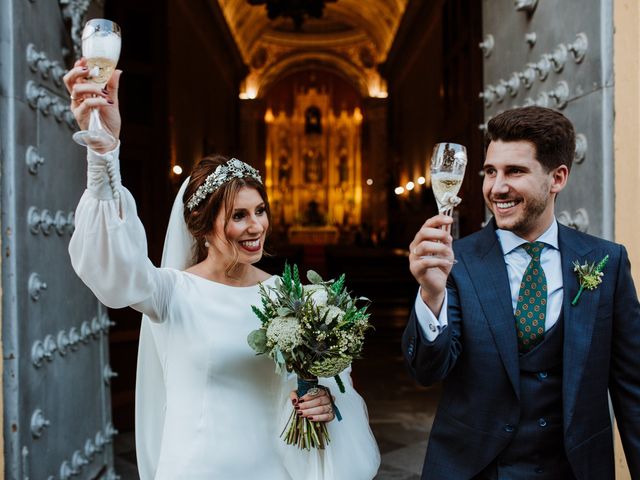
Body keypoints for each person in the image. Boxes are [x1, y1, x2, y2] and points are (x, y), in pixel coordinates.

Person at [64, 59, 380, 480]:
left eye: (261, 211)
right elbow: (113, 268)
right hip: (196, 469)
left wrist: (323, 399)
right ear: (203, 226)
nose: (257, 226)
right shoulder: (170, 292)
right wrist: (103, 154)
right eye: (239, 216)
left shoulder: (293, 298)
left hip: (273, 468)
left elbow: (323, 384)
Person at [403, 106, 640, 479]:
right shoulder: (455, 261)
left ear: (557, 177)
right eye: (490, 172)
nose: (497, 188)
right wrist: (431, 296)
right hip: (472, 469)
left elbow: (632, 390)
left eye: (515, 171)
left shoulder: (606, 262)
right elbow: (427, 372)